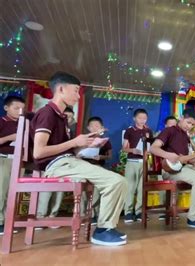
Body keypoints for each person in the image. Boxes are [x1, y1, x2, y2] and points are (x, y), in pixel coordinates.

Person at [31, 71, 127, 246]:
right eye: (75, 91)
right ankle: (103, 230)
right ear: (61, 89)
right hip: (57, 165)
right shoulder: (47, 113)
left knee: (116, 181)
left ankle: (105, 228)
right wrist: (74, 142)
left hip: (67, 161)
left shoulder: (60, 118)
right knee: (116, 181)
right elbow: (38, 152)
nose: (77, 96)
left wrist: (84, 145)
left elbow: (66, 150)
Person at [150, 108, 195, 229]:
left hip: (184, 168)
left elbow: (185, 158)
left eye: (193, 124)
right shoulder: (169, 131)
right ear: (181, 118)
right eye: (188, 122)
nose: (190, 126)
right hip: (170, 170)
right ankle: (193, 218)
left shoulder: (186, 137)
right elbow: (153, 148)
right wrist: (168, 155)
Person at [78, 116, 113, 225]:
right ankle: (83, 214)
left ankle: (94, 214)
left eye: (97, 126)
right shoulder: (82, 138)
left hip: (98, 167)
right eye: (92, 126)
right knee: (83, 191)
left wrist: (101, 157)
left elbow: (109, 156)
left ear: (102, 127)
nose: (94, 128)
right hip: (84, 166)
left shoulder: (105, 141)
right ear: (88, 127)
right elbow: (76, 152)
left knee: (96, 191)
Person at [121, 109, 154, 223]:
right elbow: (124, 148)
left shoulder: (149, 130)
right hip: (132, 162)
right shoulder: (129, 131)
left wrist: (148, 152)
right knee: (130, 187)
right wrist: (133, 150)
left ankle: (139, 212)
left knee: (142, 188)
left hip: (144, 162)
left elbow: (152, 147)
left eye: (144, 118)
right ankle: (128, 212)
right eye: (140, 118)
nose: (142, 120)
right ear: (134, 118)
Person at [0, 95, 25, 235]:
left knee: (13, 193)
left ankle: (9, 221)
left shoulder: (25, 123)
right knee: (1, 191)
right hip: (3, 160)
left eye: (22, 109)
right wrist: (10, 138)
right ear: (6, 108)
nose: (19, 111)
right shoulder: (2, 122)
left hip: (19, 161)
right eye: (16, 108)